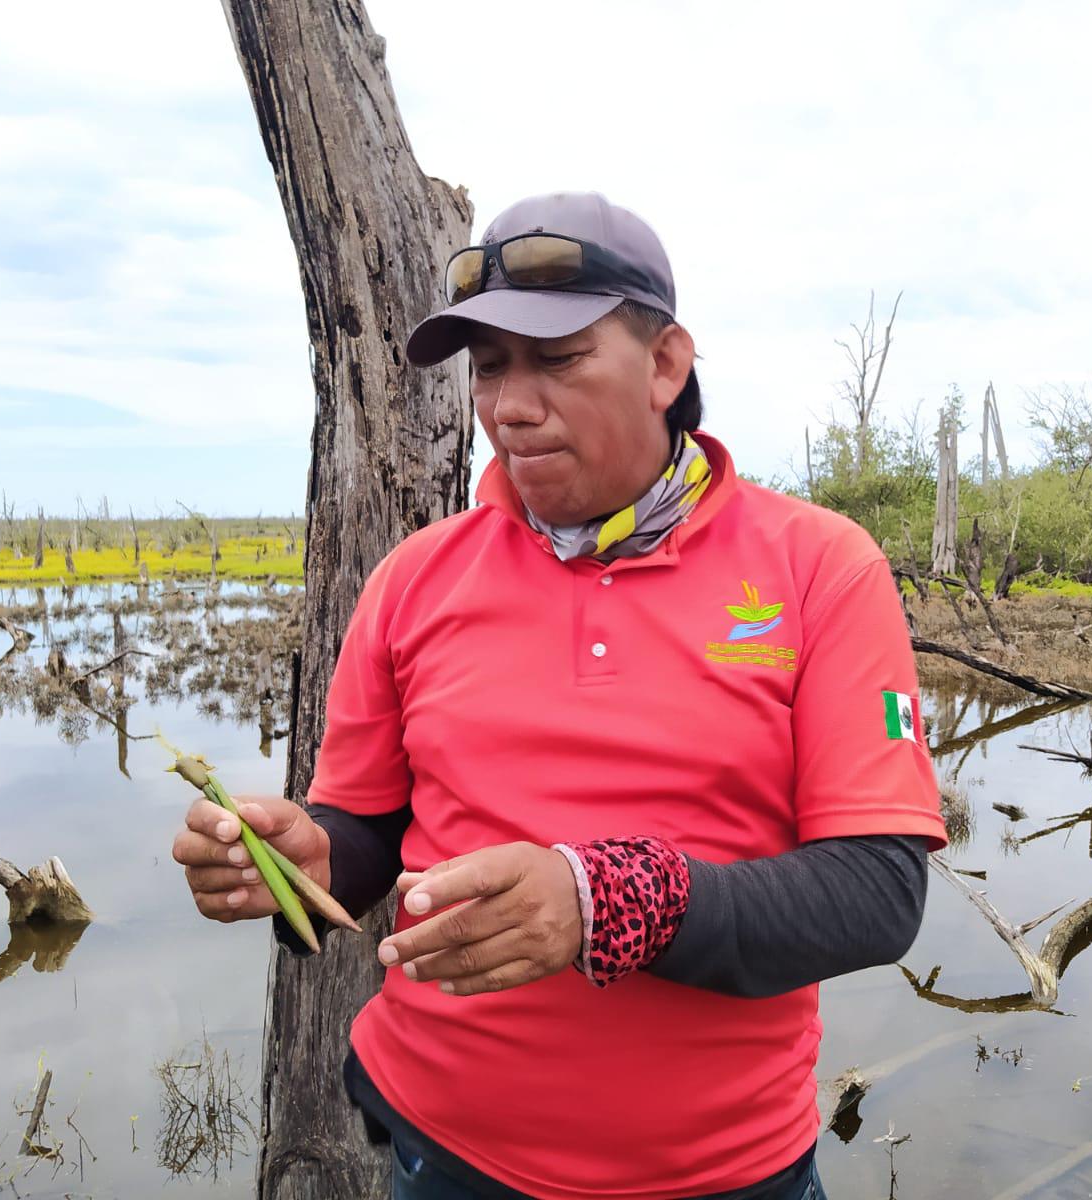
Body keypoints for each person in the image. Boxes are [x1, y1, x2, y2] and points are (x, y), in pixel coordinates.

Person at [172, 191, 947, 1200]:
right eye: (489, 367)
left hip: (720, 1172)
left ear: (665, 364)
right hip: (443, 1152)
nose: (509, 406)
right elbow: (366, 827)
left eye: (558, 357)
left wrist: (607, 900)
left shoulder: (819, 567)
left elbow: (877, 893)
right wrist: (303, 862)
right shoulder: (414, 579)